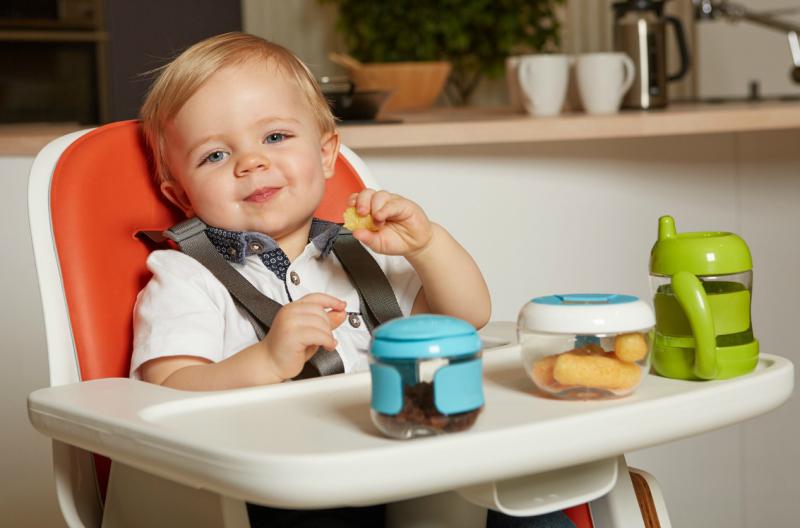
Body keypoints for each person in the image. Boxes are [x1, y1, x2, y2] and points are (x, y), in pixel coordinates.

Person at [131, 32, 491, 391]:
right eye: (215, 155)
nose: (251, 162)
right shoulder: (187, 279)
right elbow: (166, 390)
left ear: (325, 155)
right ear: (183, 197)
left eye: (274, 137)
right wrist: (266, 360)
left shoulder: (363, 254)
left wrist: (426, 246)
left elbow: (466, 318)